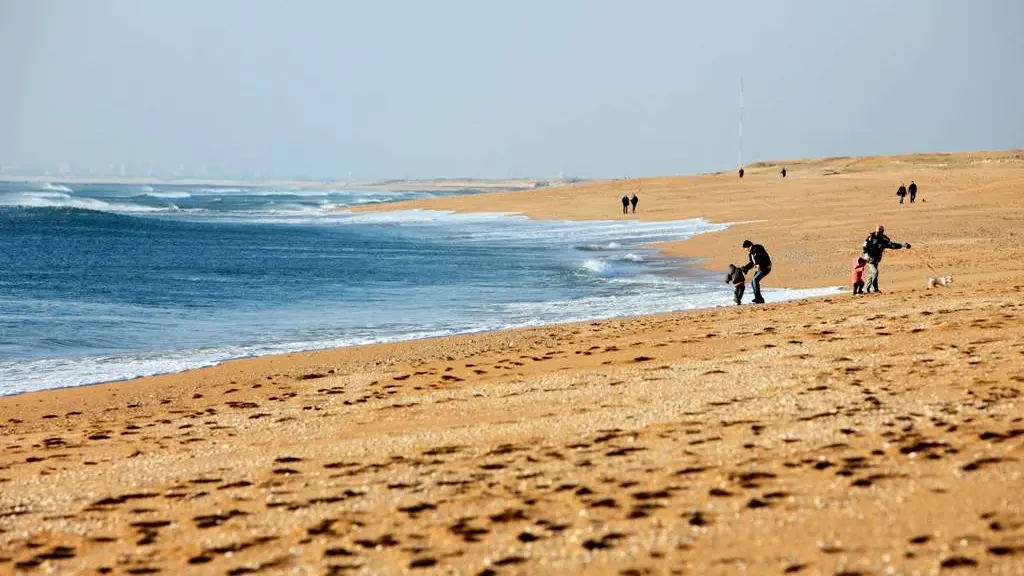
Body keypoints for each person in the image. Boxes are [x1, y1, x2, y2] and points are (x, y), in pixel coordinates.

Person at [862, 225, 911, 293]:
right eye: (878, 231)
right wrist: (867, 256)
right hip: (869, 258)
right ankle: (874, 289)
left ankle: (866, 289)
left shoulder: (884, 239)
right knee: (875, 272)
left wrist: (903, 245)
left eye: (880, 232)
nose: (878, 233)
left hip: (876, 258)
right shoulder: (870, 238)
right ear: (876, 231)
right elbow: (864, 248)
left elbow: (892, 245)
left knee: (872, 273)